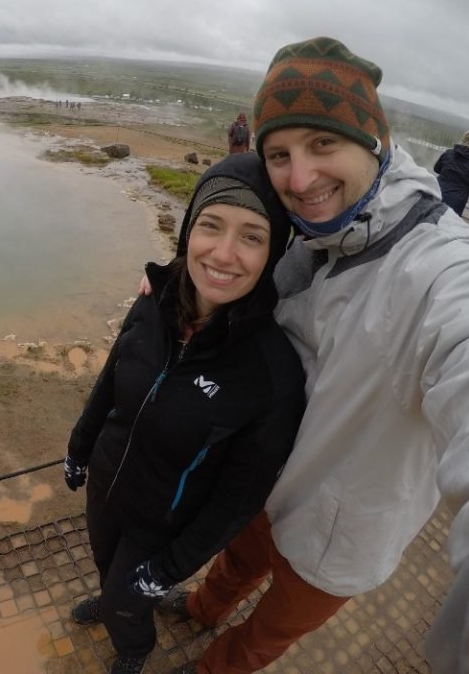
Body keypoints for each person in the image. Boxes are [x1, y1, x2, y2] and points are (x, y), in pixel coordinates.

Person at [140, 37, 469, 674]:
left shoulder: (442, 265)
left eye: (323, 144)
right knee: (232, 569)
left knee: (264, 636)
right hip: (267, 485)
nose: (299, 178)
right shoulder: (315, 238)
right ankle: (202, 610)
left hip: (340, 538)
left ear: (374, 142)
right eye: (279, 154)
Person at [63, 154, 305, 674]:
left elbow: (238, 500)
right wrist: (79, 449)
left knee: (131, 599)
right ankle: (113, 602)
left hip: (164, 522)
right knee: (109, 571)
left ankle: (133, 646)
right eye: (210, 226)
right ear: (189, 230)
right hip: (107, 483)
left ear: (273, 254)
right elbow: (111, 380)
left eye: (252, 236)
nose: (223, 253)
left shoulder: (271, 372)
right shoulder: (153, 301)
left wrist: (172, 567)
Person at [434, 130, 469, 215]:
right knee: (446, 226)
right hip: (455, 203)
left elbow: (436, 169)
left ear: (463, 140)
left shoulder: (448, 153)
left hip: (436, 192)